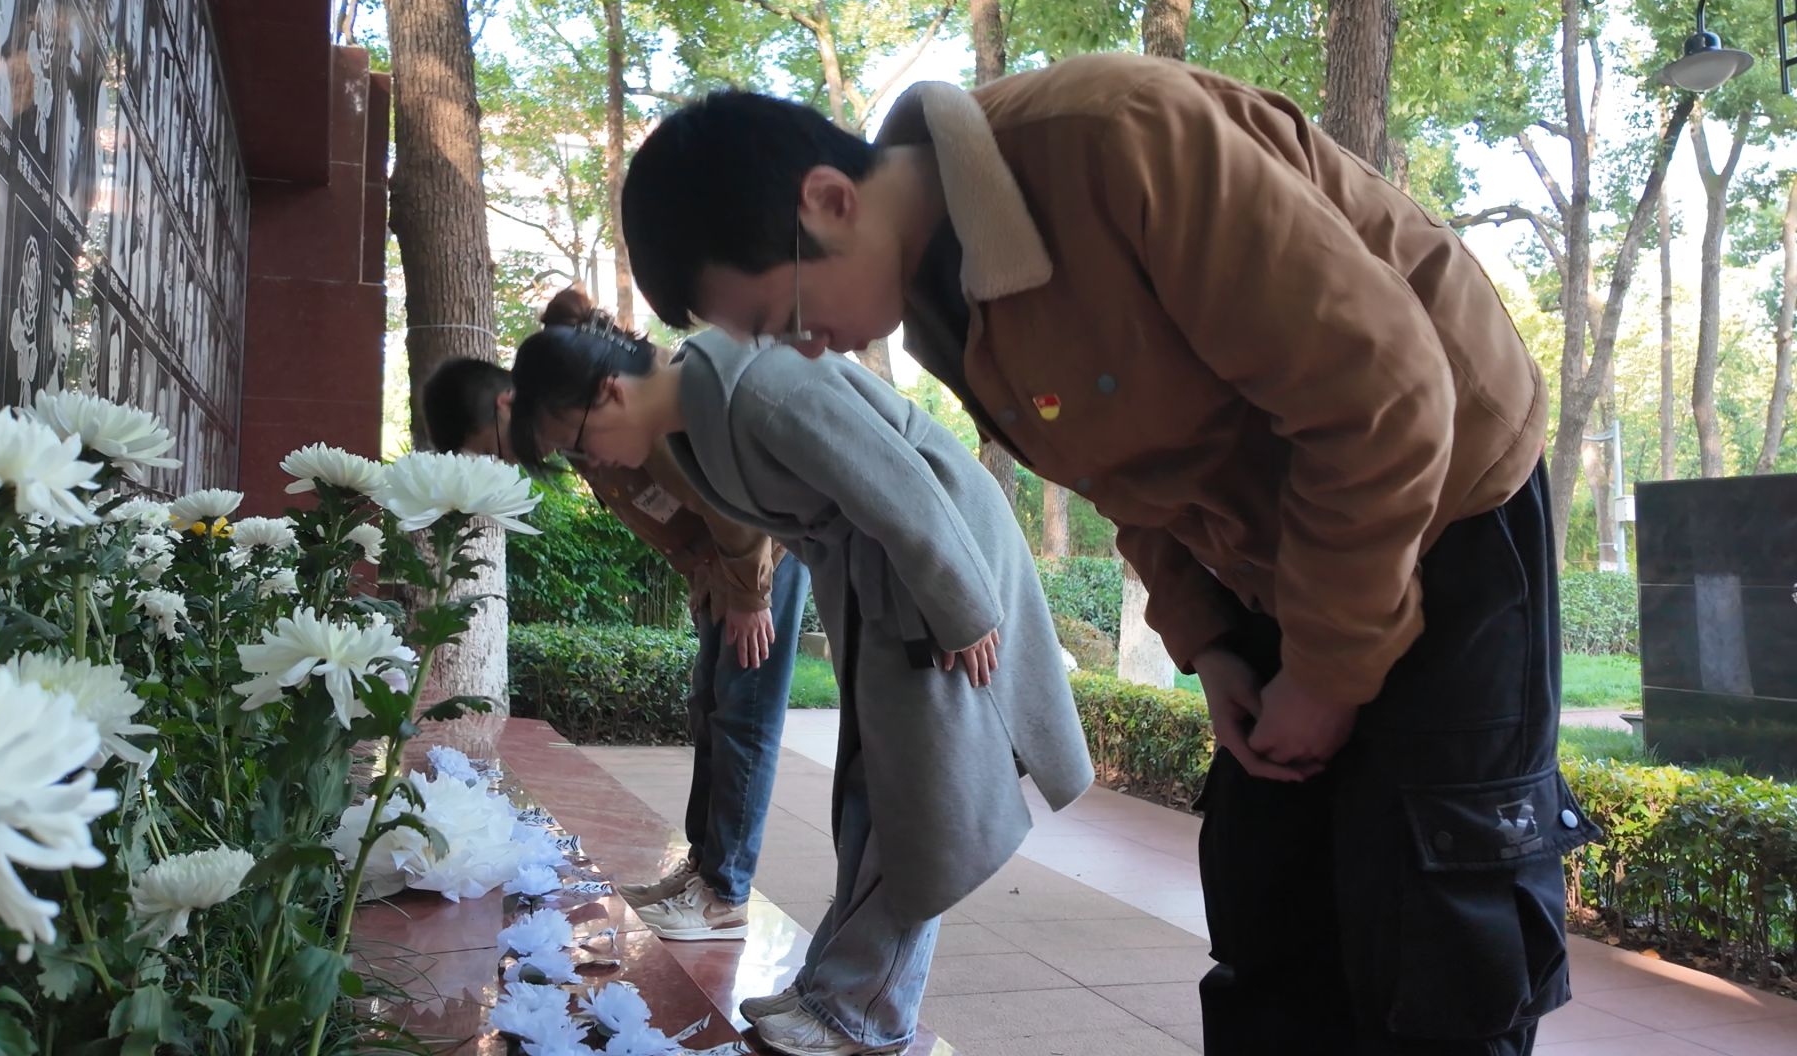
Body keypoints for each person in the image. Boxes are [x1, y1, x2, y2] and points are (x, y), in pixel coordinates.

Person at [614, 53, 1597, 1056]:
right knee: (1269, 903)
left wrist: (1326, 670)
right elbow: (1123, 472)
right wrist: (1211, 641)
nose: (804, 349)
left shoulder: (1115, 139)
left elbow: (1384, 395)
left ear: (828, 202)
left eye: (780, 319)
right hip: (1272, 549)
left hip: (1447, 501)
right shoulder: (938, 301)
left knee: (1437, 927)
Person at [506, 314, 1093, 1056]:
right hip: (886, 579)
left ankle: (865, 1010)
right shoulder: (701, 413)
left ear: (610, 392)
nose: (591, 462)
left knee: (917, 801)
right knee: (874, 787)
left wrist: (964, 610)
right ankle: (834, 985)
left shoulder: (757, 388)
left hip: (937, 568)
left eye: (578, 442)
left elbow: (904, 485)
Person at [421, 301, 809, 944]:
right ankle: (703, 870)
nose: (504, 466)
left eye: (492, 450)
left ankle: (725, 894)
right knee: (709, 706)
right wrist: (703, 576)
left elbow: (728, 501)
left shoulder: (607, 413)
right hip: (728, 566)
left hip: (768, 558)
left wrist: (748, 597)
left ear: (507, 407)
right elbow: (674, 519)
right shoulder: (571, 434)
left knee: (745, 715)